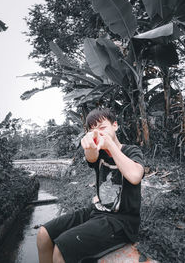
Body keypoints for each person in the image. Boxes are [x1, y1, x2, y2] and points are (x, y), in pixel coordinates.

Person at [37, 108, 144, 263]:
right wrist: (90, 147)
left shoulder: (131, 151)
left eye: (102, 128)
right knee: (43, 234)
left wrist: (110, 145)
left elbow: (135, 176)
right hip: (96, 211)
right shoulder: (98, 152)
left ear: (115, 125)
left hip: (121, 222)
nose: (98, 133)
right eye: (93, 130)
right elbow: (91, 157)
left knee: (61, 250)